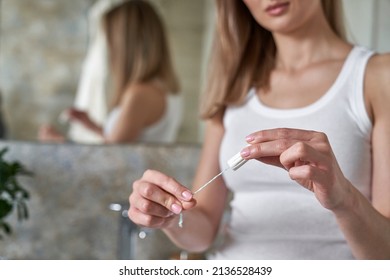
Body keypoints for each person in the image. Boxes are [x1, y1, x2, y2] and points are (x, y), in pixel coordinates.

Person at [127, 0, 390, 259]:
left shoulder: (376, 76)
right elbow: (202, 230)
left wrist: (344, 199)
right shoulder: (233, 87)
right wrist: (170, 217)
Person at [38, 0, 182, 144]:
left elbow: (113, 156)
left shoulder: (139, 94)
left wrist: (61, 144)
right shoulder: (164, 87)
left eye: (109, 40)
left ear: (124, 47)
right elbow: (124, 143)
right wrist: (92, 126)